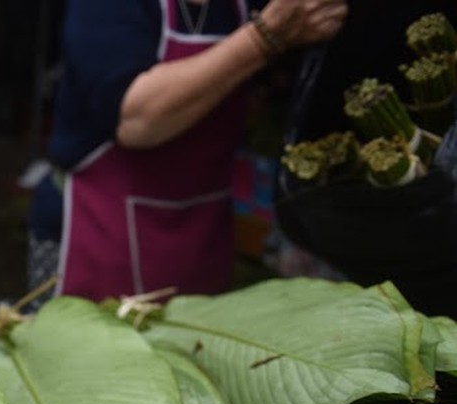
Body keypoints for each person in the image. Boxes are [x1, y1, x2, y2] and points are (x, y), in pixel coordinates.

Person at [27, 0, 349, 302]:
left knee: (192, 354)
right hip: (98, 236)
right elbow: (138, 119)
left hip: (202, 236)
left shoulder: (241, 6)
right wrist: (264, 38)